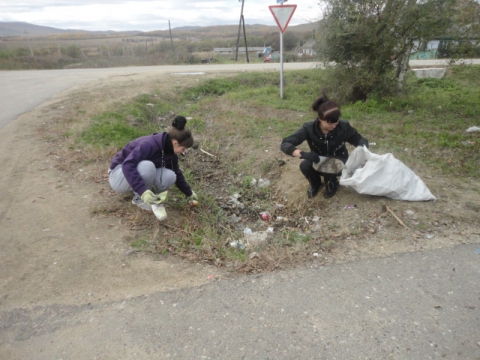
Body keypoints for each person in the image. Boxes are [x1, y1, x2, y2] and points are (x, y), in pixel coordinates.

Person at [280, 92, 368, 199]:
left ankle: (332, 183)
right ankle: (315, 183)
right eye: (330, 123)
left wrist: (363, 147)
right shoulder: (309, 128)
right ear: (320, 119)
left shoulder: (343, 127)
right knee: (305, 166)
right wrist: (303, 154)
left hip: (339, 160)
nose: (334, 126)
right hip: (318, 159)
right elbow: (285, 144)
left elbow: (359, 139)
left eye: (336, 122)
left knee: (331, 166)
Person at [108, 116, 198, 221]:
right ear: (175, 143)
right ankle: (140, 198)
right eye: (183, 149)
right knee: (148, 166)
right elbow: (127, 165)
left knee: (170, 175)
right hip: (117, 175)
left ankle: (148, 196)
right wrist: (143, 191)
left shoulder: (170, 153)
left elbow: (177, 174)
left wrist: (189, 193)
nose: (184, 152)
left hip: (131, 175)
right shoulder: (149, 145)